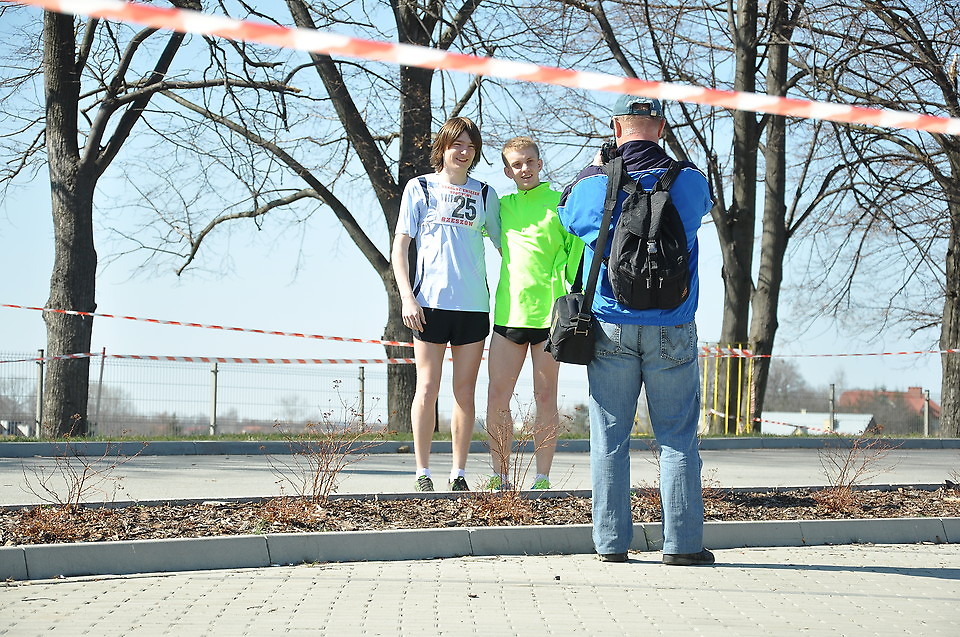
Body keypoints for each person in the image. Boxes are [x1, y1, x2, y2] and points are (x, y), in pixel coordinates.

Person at [557, 95, 715, 565]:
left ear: (616, 127)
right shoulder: (689, 180)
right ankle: (682, 545)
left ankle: (611, 543)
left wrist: (596, 165)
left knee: (609, 439)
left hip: (611, 325)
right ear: (661, 128)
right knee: (677, 437)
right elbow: (701, 208)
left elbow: (567, 213)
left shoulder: (593, 184)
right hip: (673, 324)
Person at [391, 116, 501, 493]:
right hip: (429, 305)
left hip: (473, 307)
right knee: (427, 388)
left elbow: (507, 247)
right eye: (458, 144)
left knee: (464, 392)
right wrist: (407, 297)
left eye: (471, 146)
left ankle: (458, 473)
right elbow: (400, 247)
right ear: (443, 147)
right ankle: (422, 472)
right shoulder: (420, 187)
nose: (464, 152)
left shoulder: (485, 193)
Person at [485, 136, 583, 491]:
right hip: (509, 314)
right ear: (507, 171)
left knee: (545, 397)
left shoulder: (561, 203)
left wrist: (569, 287)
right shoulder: (501, 206)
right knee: (497, 397)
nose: (523, 168)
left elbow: (576, 252)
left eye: (529, 162)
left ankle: (542, 478)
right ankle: (500, 476)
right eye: (516, 164)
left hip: (550, 318)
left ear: (539, 164)